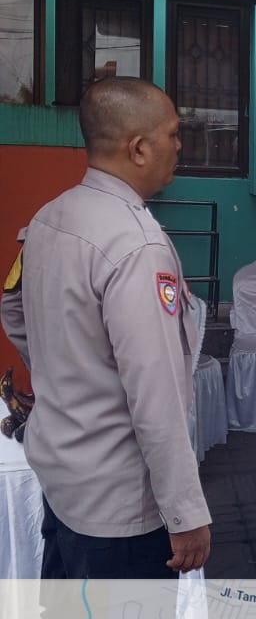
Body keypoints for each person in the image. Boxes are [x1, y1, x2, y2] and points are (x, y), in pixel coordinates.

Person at [0, 77, 211, 579]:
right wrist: (185, 513)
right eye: (173, 134)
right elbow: (155, 393)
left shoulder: (50, 217)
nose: (179, 146)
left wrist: (66, 374)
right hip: (120, 506)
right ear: (139, 148)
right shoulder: (138, 246)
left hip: (64, 477)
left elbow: (13, 307)